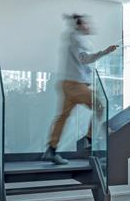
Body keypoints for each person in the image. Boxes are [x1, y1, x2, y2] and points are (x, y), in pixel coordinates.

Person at [43, 14, 118, 165]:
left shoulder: (73, 39)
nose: (89, 26)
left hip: (68, 84)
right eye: (86, 23)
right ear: (79, 25)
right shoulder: (78, 40)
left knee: (62, 117)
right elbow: (84, 59)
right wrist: (105, 52)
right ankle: (88, 140)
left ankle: (51, 149)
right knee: (100, 106)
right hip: (76, 85)